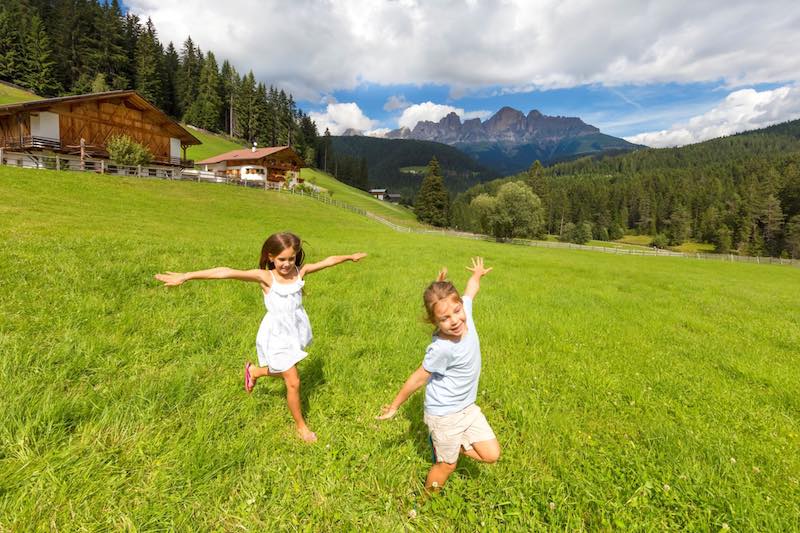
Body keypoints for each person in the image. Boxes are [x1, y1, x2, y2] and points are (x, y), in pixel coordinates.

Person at [155, 231, 366, 443]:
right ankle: (301, 427)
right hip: (276, 334)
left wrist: (349, 257)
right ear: (271, 257)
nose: (286, 264)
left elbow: (328, 261)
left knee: (285, 372)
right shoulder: (265, 277)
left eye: (291, 258)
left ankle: (254, 371)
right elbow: (225, 272)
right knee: (293, 381)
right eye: (281, 259)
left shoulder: (301, 272)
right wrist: (186, 276)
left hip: (295, 330)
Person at [377, 257, 500, 491]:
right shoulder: (442, 348)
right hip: (444, 414)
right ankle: (425, 502)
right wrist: (394, 406)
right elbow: (418, 378)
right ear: (434, 321)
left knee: (491, 454)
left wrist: (476, 275)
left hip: (467, 408)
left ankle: (447, 444)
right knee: (447, 466)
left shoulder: (465, 313)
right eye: (445, 319)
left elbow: (470, 292)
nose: (455, 320)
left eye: (456, 311)